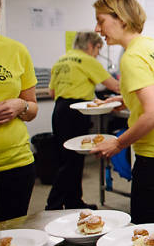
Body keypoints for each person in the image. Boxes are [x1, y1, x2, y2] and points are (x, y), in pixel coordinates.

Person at [92, 0, 154, 223]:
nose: (97, 29)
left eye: (101, 21)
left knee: (147, 230)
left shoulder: (132, 57)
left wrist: (118, 143)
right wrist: (124, 99)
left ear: (121, 19)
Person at [46, 31, 120, 210]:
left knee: (70, 159)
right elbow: (114, 86)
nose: (97, 54)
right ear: (90, 46)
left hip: (59, 110)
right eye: (97, 49)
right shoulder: (87, 61)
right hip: (76, 112)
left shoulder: (61, 60)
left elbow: (52, 93)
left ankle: (74, 201)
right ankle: (53, 204)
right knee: (72, 161)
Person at [0, 0, 39, 222]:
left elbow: (31, 108)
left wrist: (19, 106)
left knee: (11, 241)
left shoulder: (16, 51)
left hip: (16, 164)